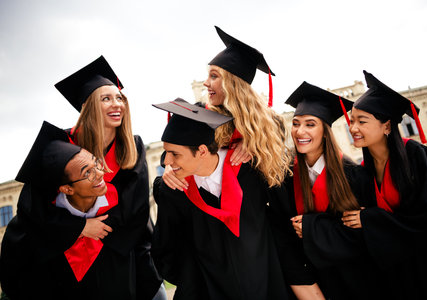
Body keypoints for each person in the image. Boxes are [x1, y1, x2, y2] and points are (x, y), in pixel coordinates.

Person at [8, 56, 162, 299]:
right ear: (88, 106)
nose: (117, 104)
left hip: (117, 248)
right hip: (64, 251)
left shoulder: (133, 146)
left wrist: (97, 230)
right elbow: (32, 205)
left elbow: (136, 207)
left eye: (119, 98)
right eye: (106, 98)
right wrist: (79, 227)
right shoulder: (61, 146)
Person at [151, 98, 290, 300]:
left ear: (202, 151)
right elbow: (165, 248)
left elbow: (281, 221)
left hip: (267, 285)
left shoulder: (251, 171)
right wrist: (194, 281)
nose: (167, 162)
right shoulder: (174, 190)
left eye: (174, 154)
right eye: (166, 152)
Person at [269, 81, 387, 300]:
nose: (300, 131)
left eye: (310, 124)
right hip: (310, 284)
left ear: (325, 131)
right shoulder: (284, 178)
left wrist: (312, 229)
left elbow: (365, 237)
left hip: (358, 283)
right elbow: (283, 237)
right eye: (295, 123)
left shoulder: (354, 176)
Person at [344, 70, 427, 299]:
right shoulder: (365, 171)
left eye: (362, 121)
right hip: (398, 273)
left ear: (387, 126)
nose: (353, 128)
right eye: (352, 121)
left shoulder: (417, 157)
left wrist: (371, 219)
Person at [162, 26, 290, 192]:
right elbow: (173, 149)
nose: (206, 83)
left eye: (214, 76)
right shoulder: (199, 114)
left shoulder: (269, 124)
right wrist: (168, 168)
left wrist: (254, 141)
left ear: (233, 84)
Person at [0, 121, 115, 299]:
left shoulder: (117, 202)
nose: (100, 173)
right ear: (66, 189)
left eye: (96, 163)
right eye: (87, 173)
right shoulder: (28, 230)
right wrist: (78, 227)